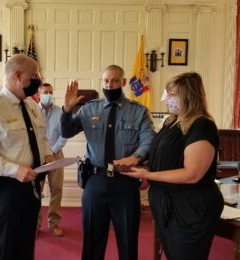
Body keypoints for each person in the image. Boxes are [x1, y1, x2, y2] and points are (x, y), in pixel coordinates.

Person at [120, 72, 224, 260]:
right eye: (167, 93)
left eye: (172, 94)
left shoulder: (202, 126)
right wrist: (135, 160)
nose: (166, 98)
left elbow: (192, 174)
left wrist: (147, 174)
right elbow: (164, 157)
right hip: (167, 205)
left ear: (188, 95)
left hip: (190, 208)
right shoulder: (172, 121)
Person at [61, 65, 155, 260]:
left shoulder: (138, 112)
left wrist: (137, 157)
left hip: (125, 182)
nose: (109, 85)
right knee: (92, 241)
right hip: (95, 180)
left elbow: (149, 140)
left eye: (114, 81)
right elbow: (67, 131)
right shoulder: (89, 108)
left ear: (123, 82)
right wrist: (67, 110)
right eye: (105, 81)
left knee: (128, 240)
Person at [0, 54, 54, 260]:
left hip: (30, 189)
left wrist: (48, 154)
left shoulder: (32, 106)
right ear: (17, 75)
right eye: (34, 75)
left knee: (25, 247)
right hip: (3, 190)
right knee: (5, 250)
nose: (38, 81)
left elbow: (41, 138)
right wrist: (14, 170)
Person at [38, 83, 68, 237]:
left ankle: (54, 223)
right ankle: (35, 224)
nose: (48, 94)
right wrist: (44, 153)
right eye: (45, 92)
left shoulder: (60, 112)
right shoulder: (33, 111)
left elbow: (64, 135)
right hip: (38, 156)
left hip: (56, 154)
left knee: (57, 190)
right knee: (36, 191)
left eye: (50, 92)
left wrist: (52, 152)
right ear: (39, 93)